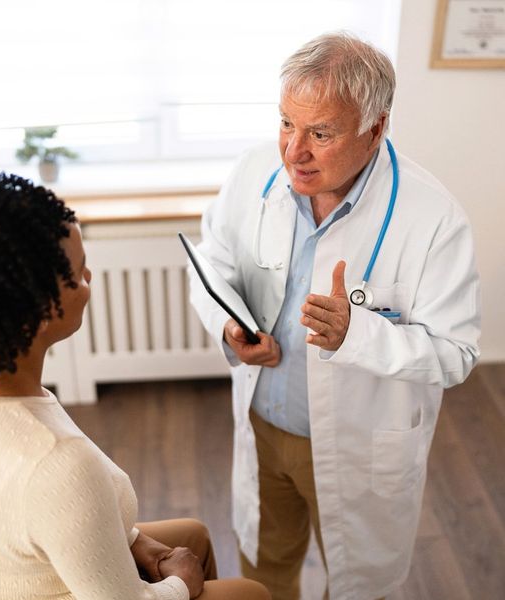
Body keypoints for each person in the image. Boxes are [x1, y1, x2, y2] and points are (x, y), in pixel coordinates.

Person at [188, 32, 480, 600]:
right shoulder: (255, 174)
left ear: (375, 128)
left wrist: (359, 335)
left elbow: (457, 354)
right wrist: (230, 325)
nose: (293, 151)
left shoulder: (434, 218)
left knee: (358, 587)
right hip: (264, 428)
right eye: (286, 124)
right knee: (261, 572)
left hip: (359, 446)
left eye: (320, 133)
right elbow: (213, 257)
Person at [0, 170, 271, 600]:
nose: (89, 280)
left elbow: (51, 516)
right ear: (36, 313)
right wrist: (180, 585)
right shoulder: (55, 464)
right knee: (250, 592)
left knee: (192, 535)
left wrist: (137, 541)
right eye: (78, 275)